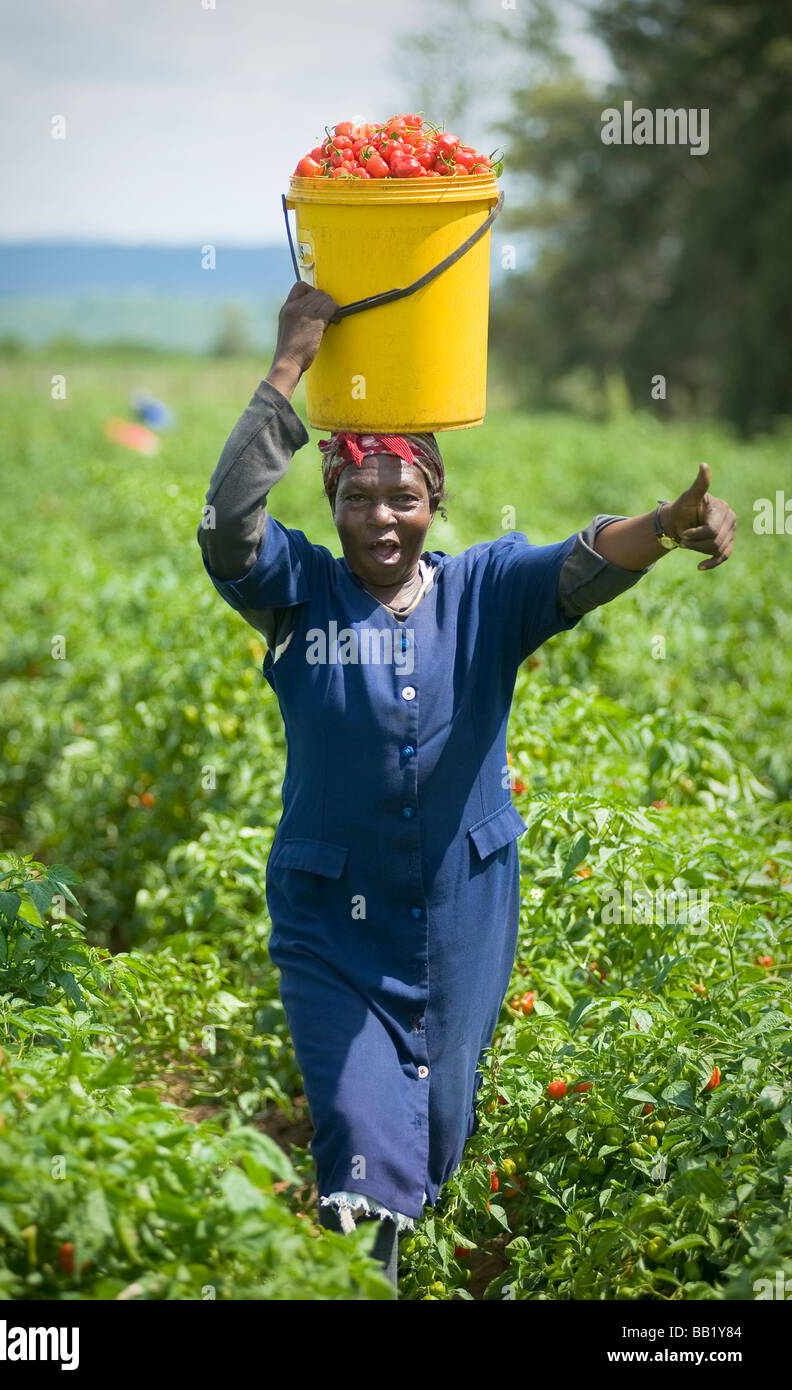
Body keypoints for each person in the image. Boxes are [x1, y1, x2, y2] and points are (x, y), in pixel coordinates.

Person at [196, 282, 736, 1294]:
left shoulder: (484, 593)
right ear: (336, 507)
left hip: (460, 918)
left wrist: (668, 523)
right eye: (358, 498)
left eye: (402, 495)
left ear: (434, 499)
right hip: (329, 920)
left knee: (435, 1136)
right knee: (361, 1141)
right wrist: (288, 369)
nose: (380, 517)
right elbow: (228, 527)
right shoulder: (299, 593)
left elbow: (582, 559)